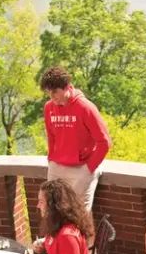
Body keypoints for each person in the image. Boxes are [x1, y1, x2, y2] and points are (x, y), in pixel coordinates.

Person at [40, 66, 112, 211]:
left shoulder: (85, 107)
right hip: (57, 167)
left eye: (55, 92)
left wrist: (88, 168)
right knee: (52, 211)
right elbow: (51, 135)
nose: (52, 97)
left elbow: (104, 142)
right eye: (48, 93)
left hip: (81, 168)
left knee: (78, 214)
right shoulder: (49, 108)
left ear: (66, 87)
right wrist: (52, 159)